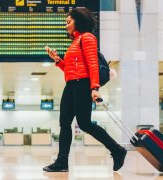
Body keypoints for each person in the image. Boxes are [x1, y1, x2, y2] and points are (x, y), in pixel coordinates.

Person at [43, 7, 127, 172]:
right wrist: (58, 60)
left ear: (78, 21)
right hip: (71, 84)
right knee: (64, 123)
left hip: (83, 84)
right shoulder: (75, 42)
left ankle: (117, 150)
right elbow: (71, 69)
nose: (66, 26)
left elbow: (92, 64)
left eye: (68, 22)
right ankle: (62, 162)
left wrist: (94, 88)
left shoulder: (87, 38)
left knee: (85, 124)